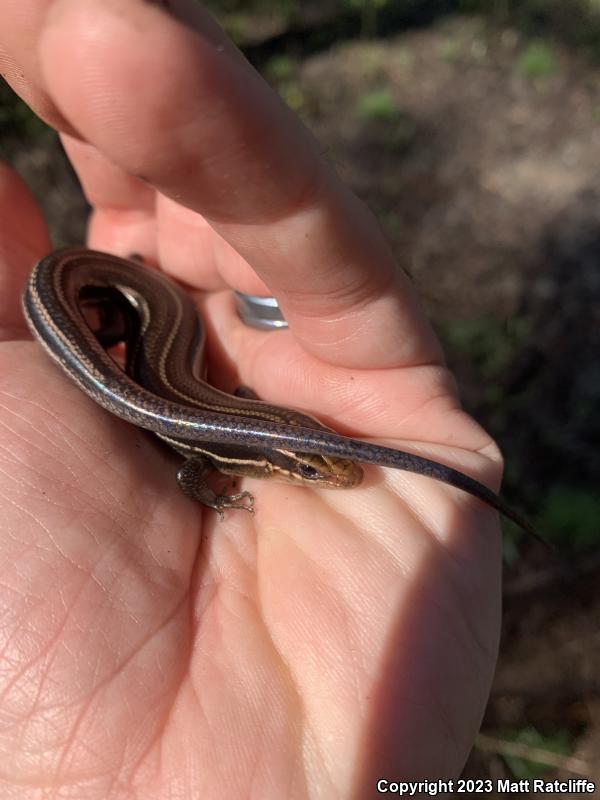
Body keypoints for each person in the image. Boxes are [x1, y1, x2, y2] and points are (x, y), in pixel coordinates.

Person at [0, 0, 501, 795]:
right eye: (308, 466)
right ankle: (95, 294)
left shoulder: (226, 430)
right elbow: (194, 466)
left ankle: (100, 294)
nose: (324, 471)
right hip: (139, 317)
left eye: (308, 463)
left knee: (140, 335)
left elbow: (214, 441)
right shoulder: (220, 442)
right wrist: (219, 494)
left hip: (147, 318)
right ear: (275, 443)